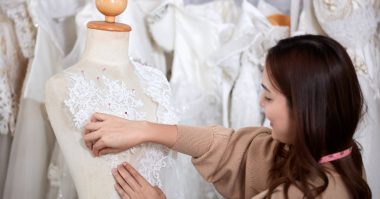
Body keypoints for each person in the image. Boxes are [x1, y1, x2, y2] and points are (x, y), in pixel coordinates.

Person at [83, 35, 372, 199]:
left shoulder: (303, 193)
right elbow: (234, 147)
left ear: (305, 108)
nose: (260, 103)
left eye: (269, 97)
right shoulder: (340, 154)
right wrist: (146, 129)